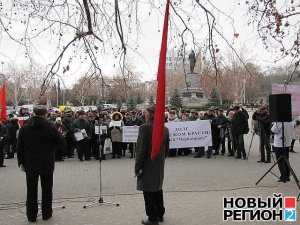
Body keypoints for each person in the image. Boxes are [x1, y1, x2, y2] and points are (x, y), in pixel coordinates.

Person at [17, 105, 61, 223]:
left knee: (31, 190)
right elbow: (61, 143)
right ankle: (46, 214)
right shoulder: (51, 127)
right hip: (47, 163)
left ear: (33, 113)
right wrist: (52, 151)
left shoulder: (24, 128)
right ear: (45, 114)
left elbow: (19, 147)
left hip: (30, 163)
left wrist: (21, 162)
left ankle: (31, 216)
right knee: (47, 189)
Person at [135, 106, 169, 225]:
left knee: (148, 191)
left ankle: (152, 218)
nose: (144, 114)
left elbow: (141, 150)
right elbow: (166, 150)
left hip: (147, 164)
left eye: (145, 112)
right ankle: (160, 214)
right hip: (159, 164)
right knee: (157, 189)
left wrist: (137, 167)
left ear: (150, 114)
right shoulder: (164, 129)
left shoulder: (144, 128)